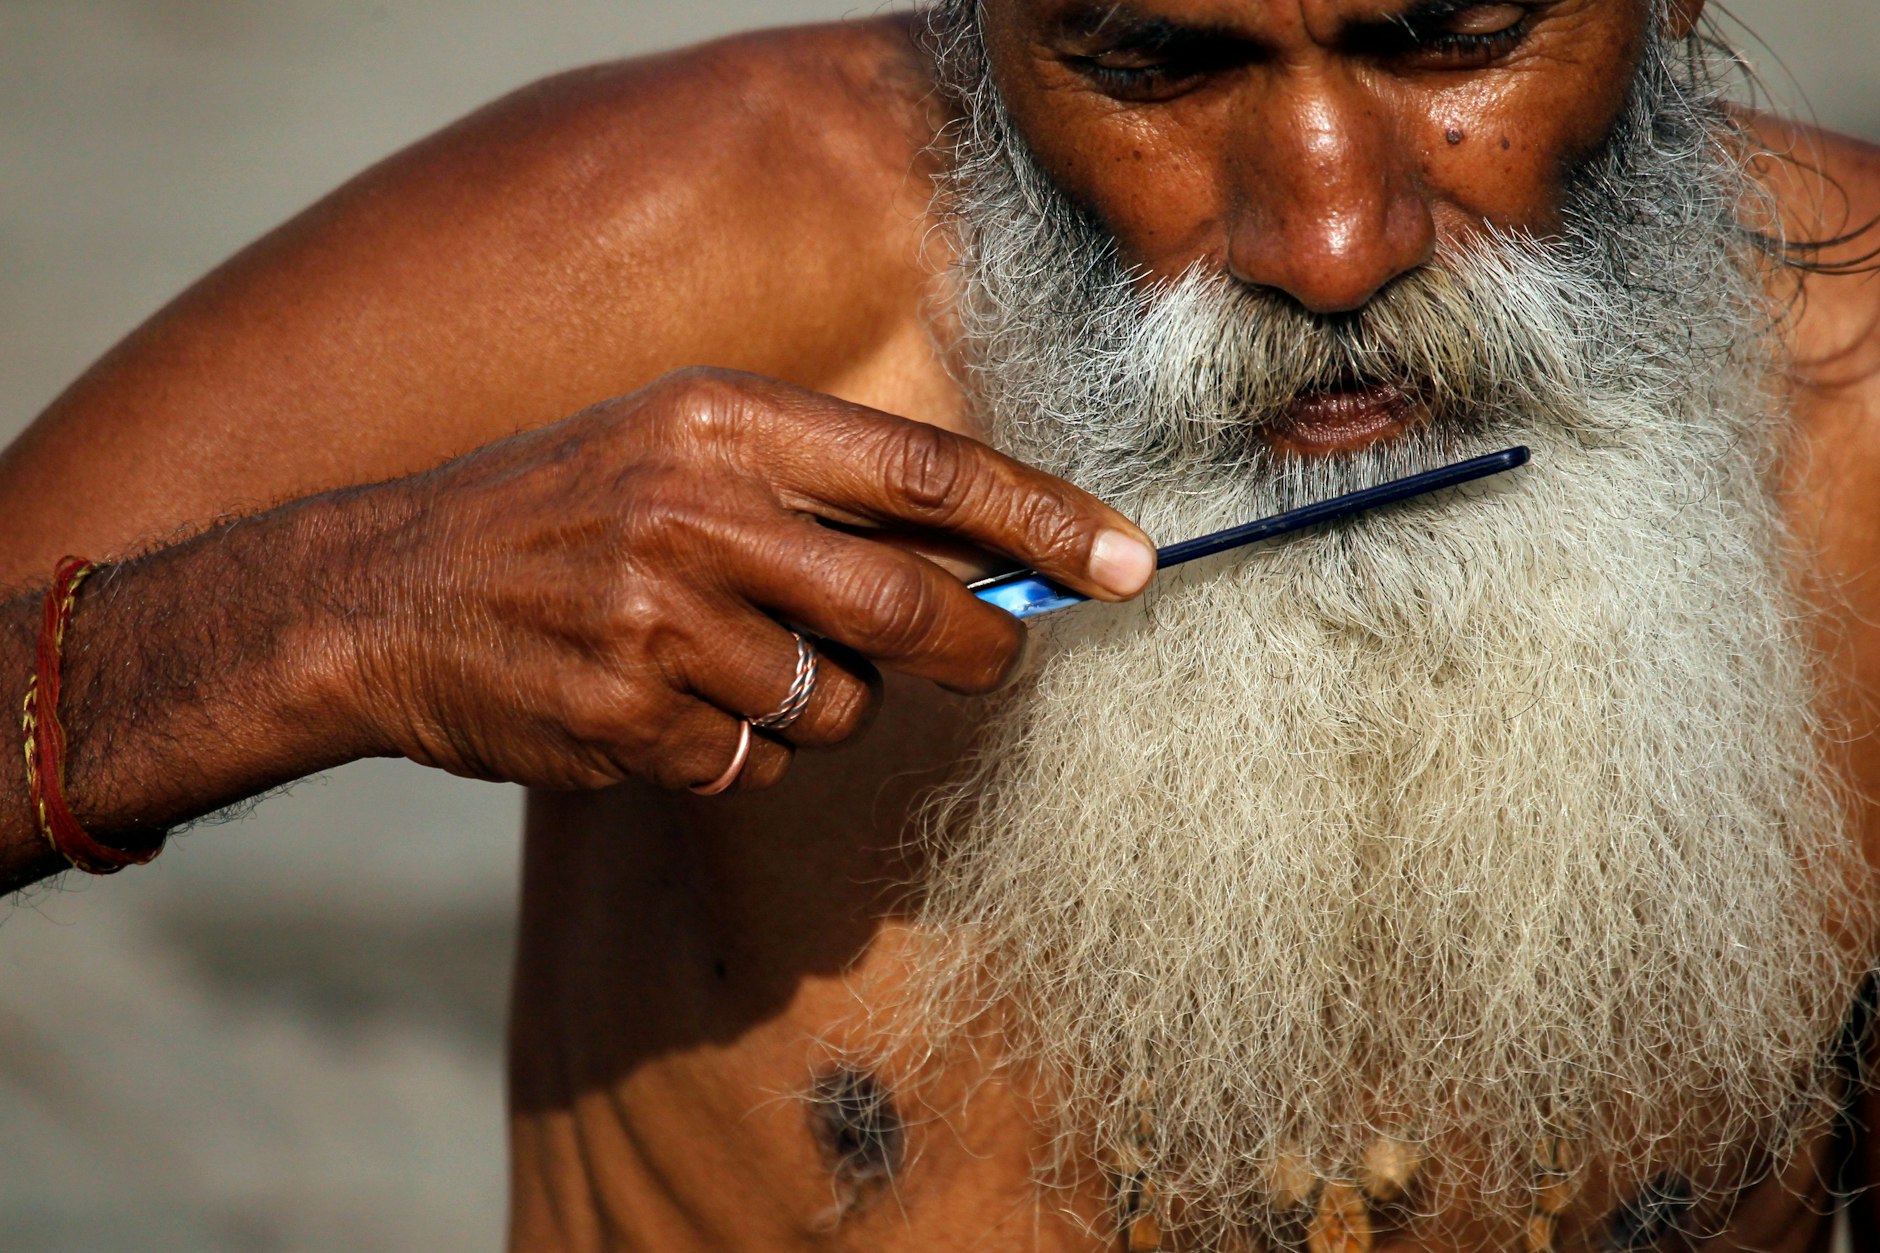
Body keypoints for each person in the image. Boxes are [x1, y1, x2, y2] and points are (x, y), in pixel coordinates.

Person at [4, 0, 1880, 1247]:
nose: (1330, 238)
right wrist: (336, 616)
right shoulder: (707, 242)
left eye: (1454, 33)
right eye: (1153, 59)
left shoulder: (1856, 419)